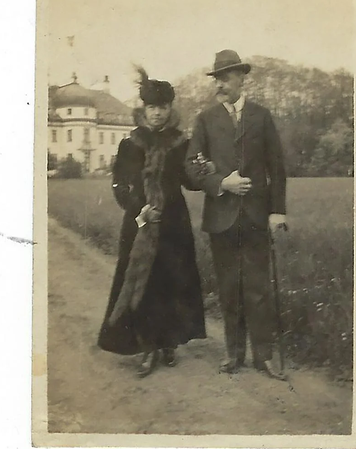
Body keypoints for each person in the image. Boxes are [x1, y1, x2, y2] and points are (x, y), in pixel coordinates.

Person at [98, 67, 206, 377]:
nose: (157, 113)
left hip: (173, 223)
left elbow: (190, 182)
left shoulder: (181, 143)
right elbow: (119, 186)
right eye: (152, 107)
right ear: (143, 109)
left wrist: (201, 170)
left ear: (171, 109)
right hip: (139, 223)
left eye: (163, 107)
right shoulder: (129, 144)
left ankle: (168, 343)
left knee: (172, 281)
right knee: (140, 284)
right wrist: (138, 210)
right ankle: (147, 347)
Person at [185, 50, 287, 380]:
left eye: (226, 77)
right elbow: (191, 167)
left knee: (258, 288)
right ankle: (234, 354)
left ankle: (264, 356)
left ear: (242, 78)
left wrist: (277, 211)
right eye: (217, 77)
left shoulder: (262, 116)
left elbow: (277, 167)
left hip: (256, 217)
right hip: (221, 218)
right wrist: (221, 183)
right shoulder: (205, 119)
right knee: (229, 288)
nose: (220, 83)